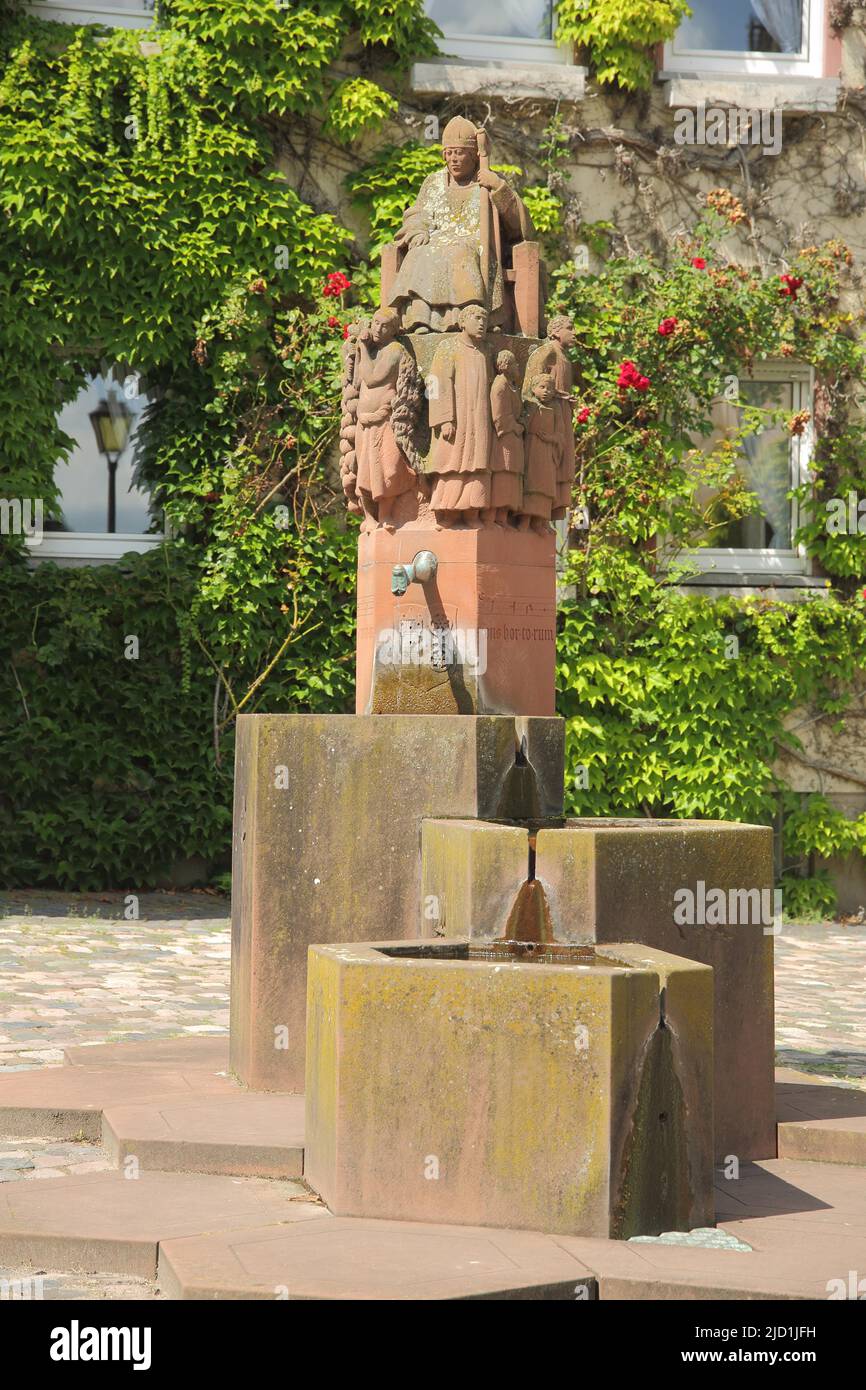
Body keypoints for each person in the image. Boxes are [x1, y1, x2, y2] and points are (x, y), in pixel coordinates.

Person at [387, 117, 536, 333]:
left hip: (475, 246)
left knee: (459, 252)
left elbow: (520, 229)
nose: (454, 159)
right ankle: (420, 318)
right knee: (419, 253)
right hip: (436, 242)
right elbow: (417, 213)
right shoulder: (434, 182)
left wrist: (498, 187)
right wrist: (418, 230)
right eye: (449, 153)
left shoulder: (489, 181)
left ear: (474, 155)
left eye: (460, 153)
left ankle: (465, 317)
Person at [428, 303, 494, 528]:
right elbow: (435, 383)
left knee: (478, 463)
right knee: (451, 463)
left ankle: (473, 512)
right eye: (476, 318)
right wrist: (444, 418)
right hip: (457, 420)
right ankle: (446, 513)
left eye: (485, 319)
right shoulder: (448, 348)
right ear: (462, 322)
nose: (482, 323)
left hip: (480, 418)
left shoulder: (485, 351)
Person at [518, 373, 559, 535]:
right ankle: (526, 520)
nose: (546, 391)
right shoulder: (531, 406)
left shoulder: (555, 410)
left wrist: (551, 438)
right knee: (532, 483)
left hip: (547, 451)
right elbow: (523, 423)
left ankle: (540, 520)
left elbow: (560, 434)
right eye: (542, 387)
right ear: (533, 389)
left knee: (545, 485)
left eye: (550, 388)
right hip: (532, 448)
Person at [490, 349, 524, 526]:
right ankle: (495, 517)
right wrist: (514, 427)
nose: (518, 367)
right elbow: (499, 415)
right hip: (505, 438)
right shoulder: (500, 385)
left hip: (514, 437)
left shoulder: (511, 385)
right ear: (507, 366)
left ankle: (504, 517)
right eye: (515, 364)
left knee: (512, 477)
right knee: (504, 475)